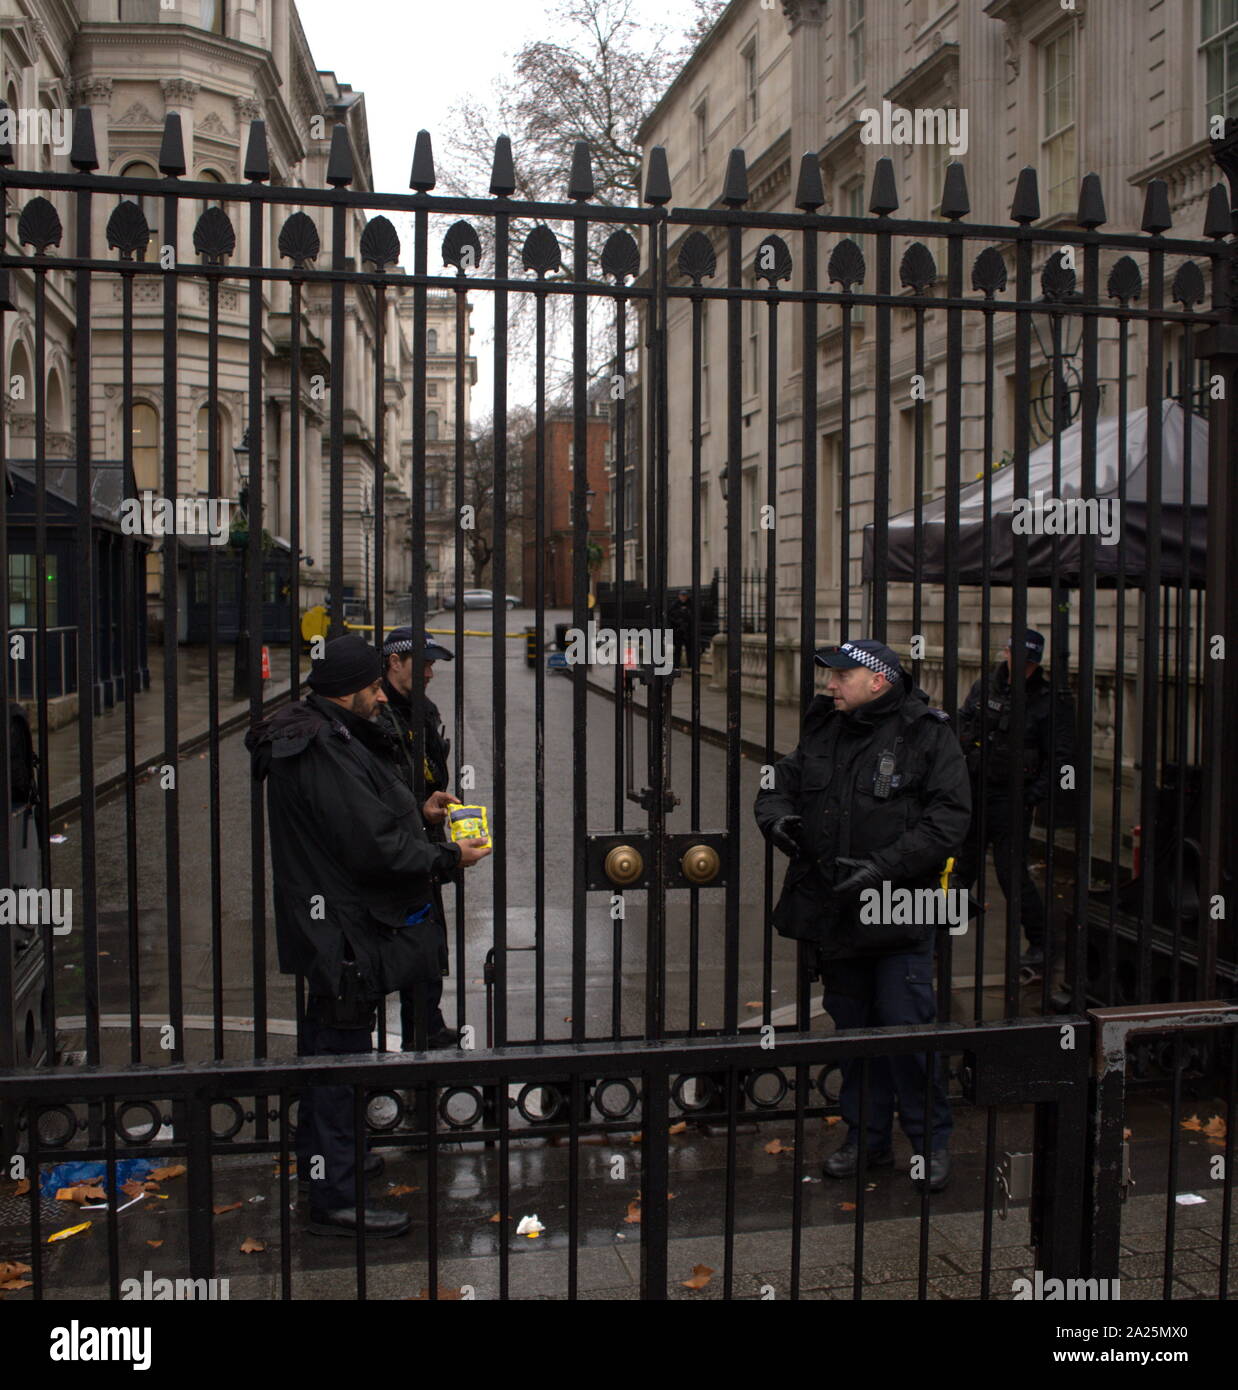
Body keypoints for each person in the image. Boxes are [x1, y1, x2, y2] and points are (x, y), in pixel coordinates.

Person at [246, 634, 491, 1236]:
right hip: (342, 932)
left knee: (330, 1049)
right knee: (336, 1062)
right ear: (349, 689)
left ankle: (330, 1164)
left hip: (342, 925)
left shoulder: (329, 733)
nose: (383, 694)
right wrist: (445, 858)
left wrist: (421, 810)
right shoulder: (318, 746)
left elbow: (366, 811)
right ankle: (334, 1198)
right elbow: (369, 845)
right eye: (374, 687)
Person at [754, 639, 971, 1192]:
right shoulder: (827, 726)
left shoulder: (928, 733)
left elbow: (948, 821)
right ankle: (865, 1140)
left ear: (877, 680)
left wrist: (881, 869)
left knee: (907, 1037)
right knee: (854, 1037)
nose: (830, 686)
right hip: (838, 914)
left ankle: (929, 1145)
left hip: (898, 915)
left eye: (840, 676)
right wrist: (777, 818)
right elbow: (781, 779)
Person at [955, 629, 1075, 971]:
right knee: (961, 868)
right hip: (976, 790)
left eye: (1026, 661)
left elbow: (1062, 757)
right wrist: (967, 751)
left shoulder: (1051, 701)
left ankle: (1041, 944)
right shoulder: (985, 686)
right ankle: (933, 935)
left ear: (1035, 664)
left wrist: (1033, 795)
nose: (1017, 664)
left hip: (1012, 798)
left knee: (1012, 874)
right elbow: (964, 720)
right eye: (1013, 655)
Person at [379, 626, 459, 1050]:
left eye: (432, 664)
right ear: (394, 662)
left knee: (428, 936)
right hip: (392, 843)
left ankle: (427, 1024)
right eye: (423, 663)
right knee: (397, 938)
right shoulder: (377, 712)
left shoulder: (421, 708)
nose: (430, 672)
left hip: (425, 835)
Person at [668, 588, 693, 670]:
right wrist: (677, 622)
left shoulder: (690, 603)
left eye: (685, 596)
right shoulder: (674, 604)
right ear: (679, 596)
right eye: (682, 595)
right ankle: (676, 665)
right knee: (678, 649)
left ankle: (690, 664)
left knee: (689, 648)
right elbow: (670, 616)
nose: (683, 597)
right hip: (678, 630)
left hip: (687, 630)